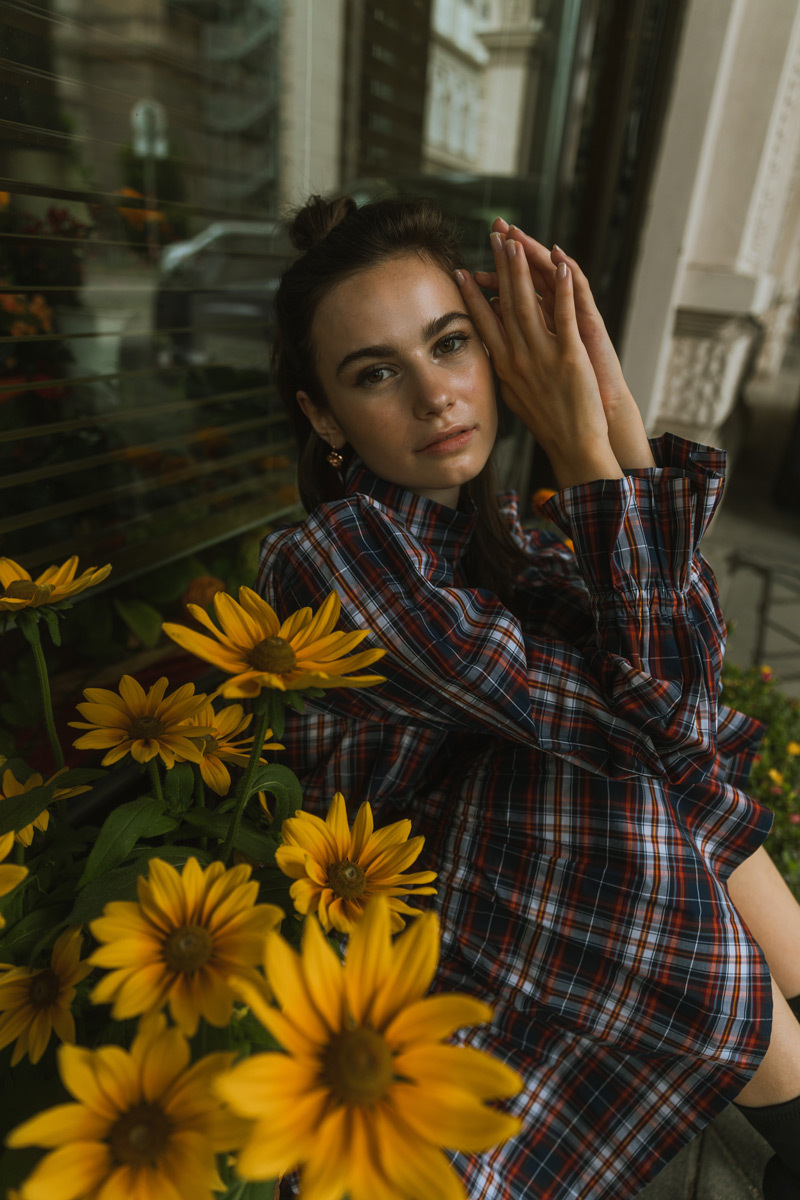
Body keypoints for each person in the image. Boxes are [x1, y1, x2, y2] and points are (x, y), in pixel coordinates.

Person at [256, 194, 800, 1200]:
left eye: (448, 344)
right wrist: (588, 455)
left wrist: (614, 425)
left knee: (649, 768)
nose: (433, 396)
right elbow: (645, 727)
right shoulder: (332, 555)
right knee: (618, 783)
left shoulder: (505, 538)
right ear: (323, 415)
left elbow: (681, 710)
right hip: (428, 941)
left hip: (542, 914)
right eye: (376, 372)